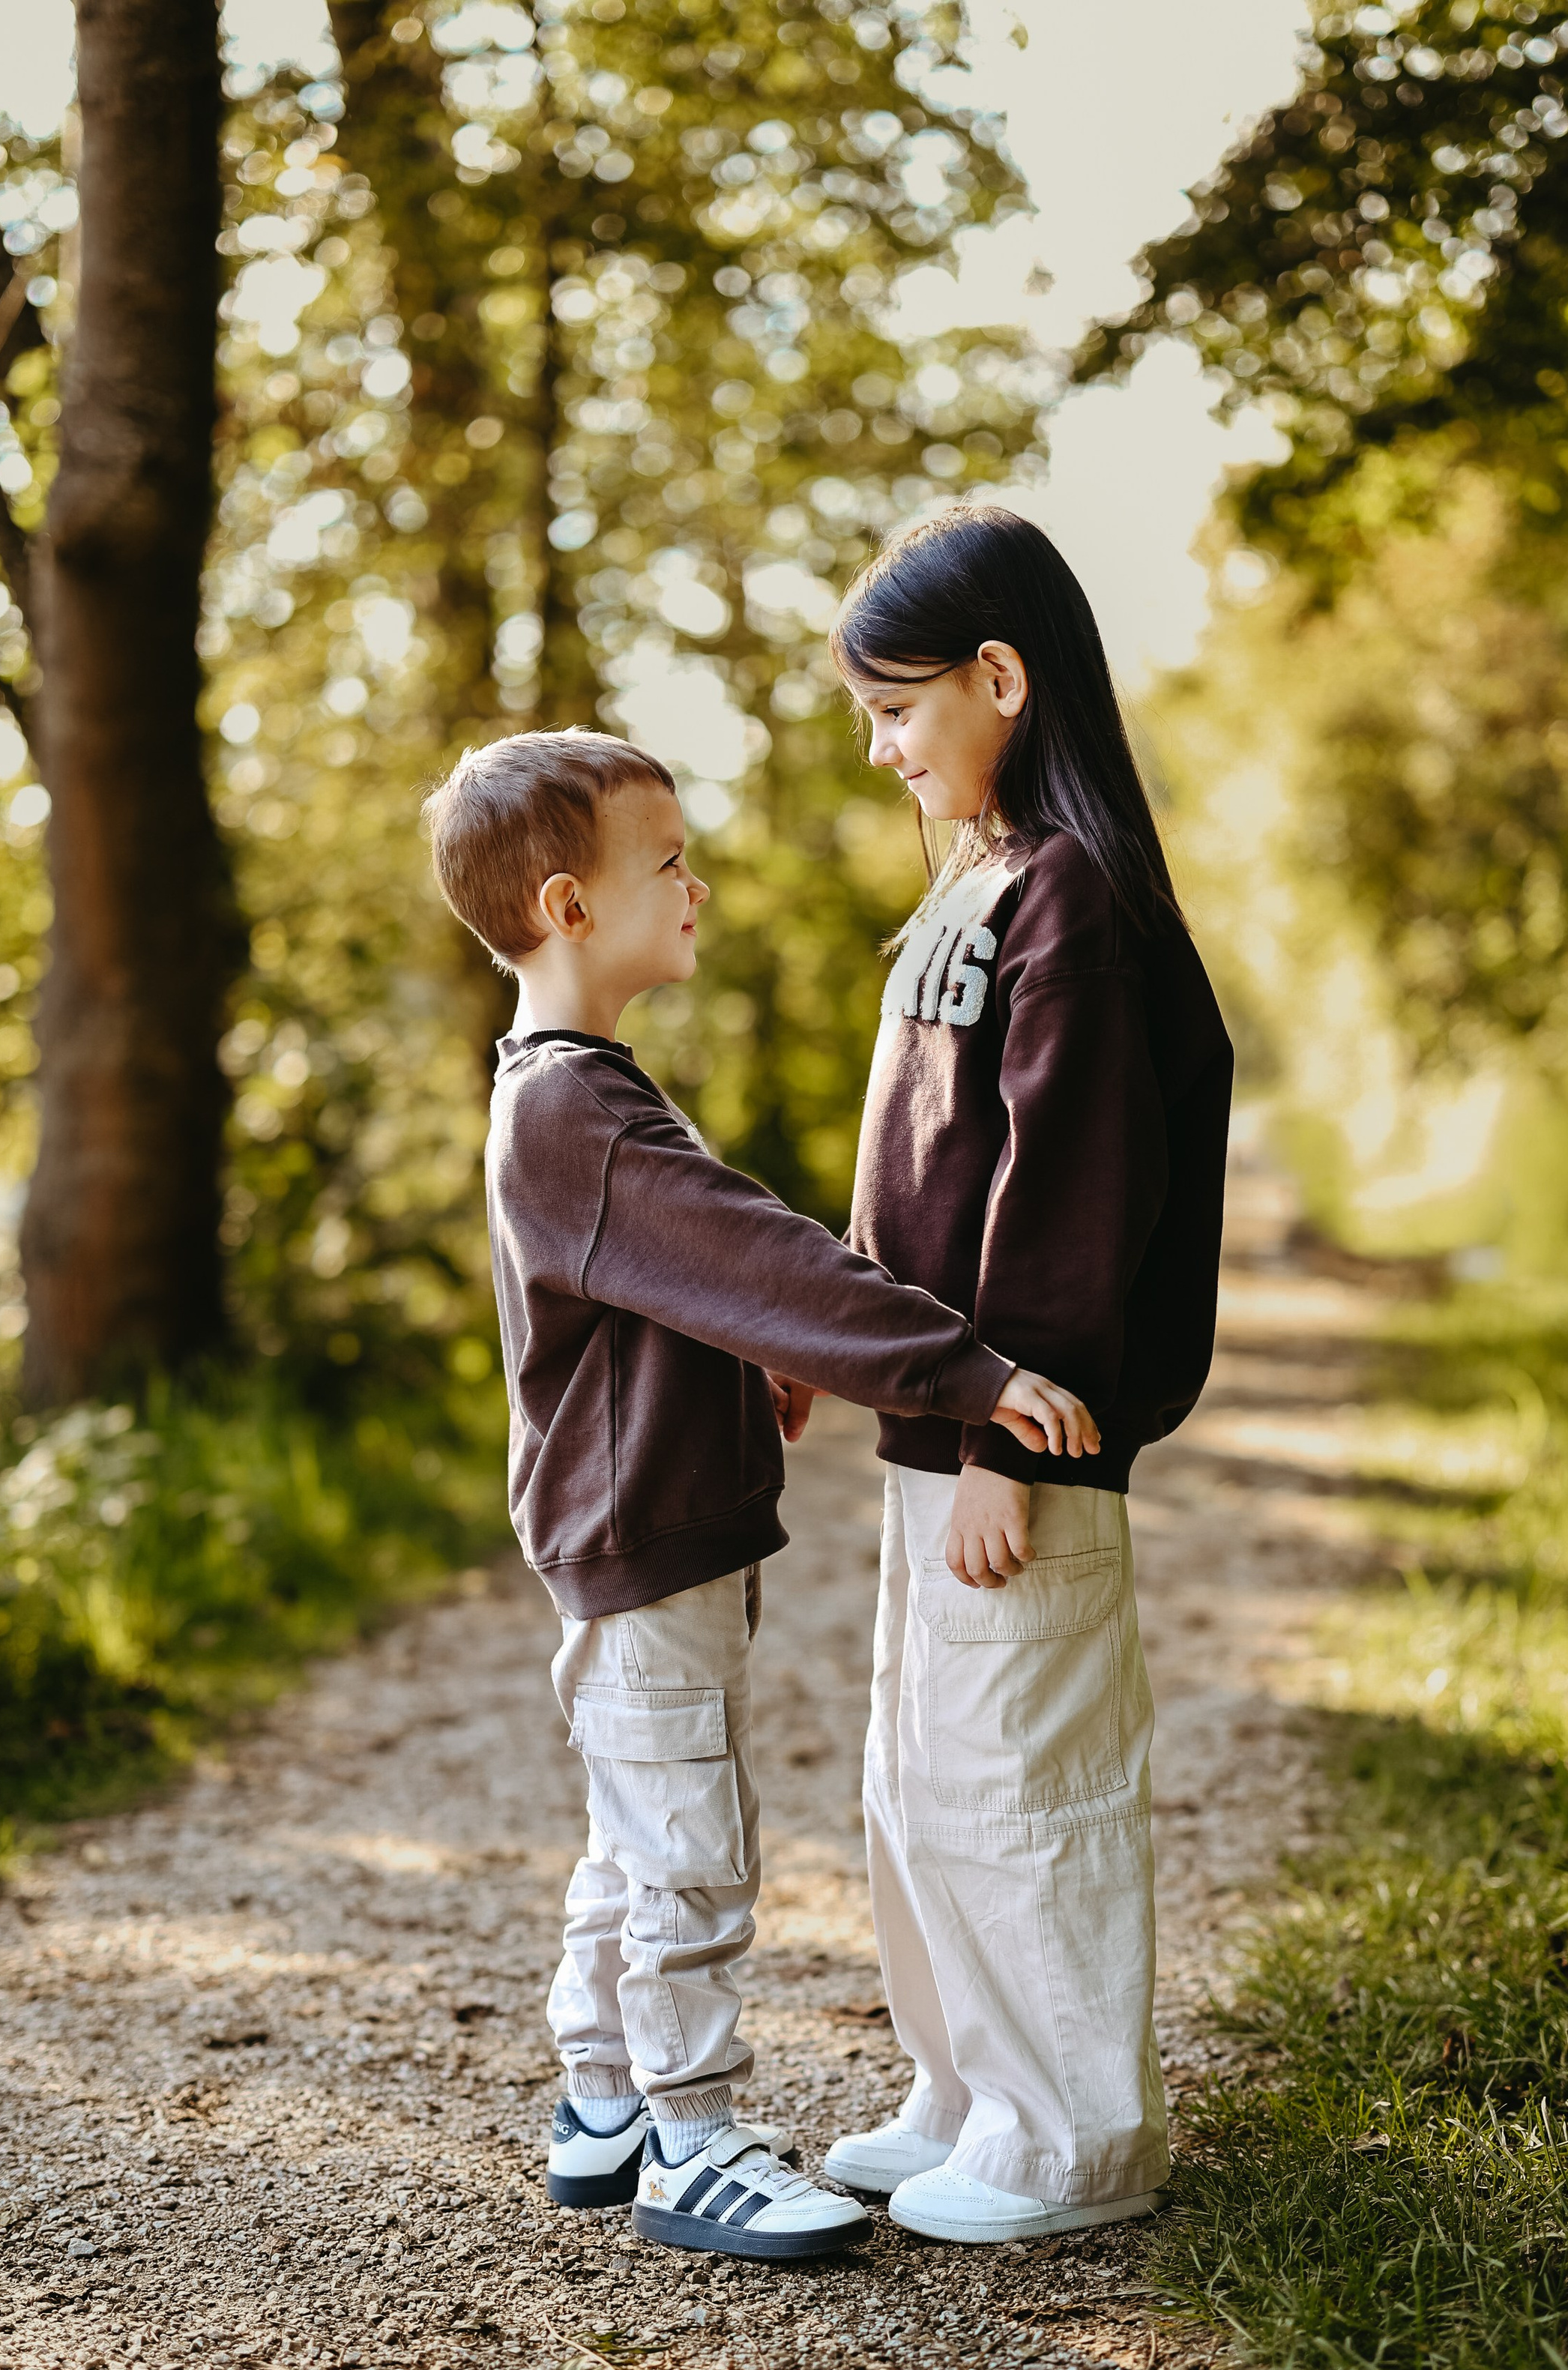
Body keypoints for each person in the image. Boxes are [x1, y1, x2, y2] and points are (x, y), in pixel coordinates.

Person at [422, 726, 1099, 2264]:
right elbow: (750, 1252)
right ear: (567, 906)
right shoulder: (570, 1109)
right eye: (665, 863)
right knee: (686, 1850)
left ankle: (598, 2106)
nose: (698, 885)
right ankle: (691, 2137)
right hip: (643, 1545)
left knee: (628, 1833)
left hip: (646, 1532)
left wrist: (753, 1367)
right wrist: (960, 1370)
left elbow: (677, 1281)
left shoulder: (576, 1088)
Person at [797, 503, 1234, 2244]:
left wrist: (1009, 1423)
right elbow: (906, 1167)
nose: (880, 744)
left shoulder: (1075, 899)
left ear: (1000, 677)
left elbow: (1067, 1188)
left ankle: (1072, 2138)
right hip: (933, 1431)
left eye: (898, 706)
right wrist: (834, 1345)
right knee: (920, 1778)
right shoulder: (970, 884)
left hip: (1016, 1439)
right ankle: (967, 2083)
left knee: (1024, 1782)